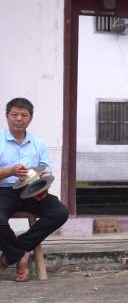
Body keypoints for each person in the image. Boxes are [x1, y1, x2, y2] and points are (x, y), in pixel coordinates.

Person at [0, 98, 69, 281]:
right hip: (3, 191)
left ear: (30, 119)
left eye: (24, 115)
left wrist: (44, 182)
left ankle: (15, 251)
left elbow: (45, 171)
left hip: (30, 191)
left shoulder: (38, 144)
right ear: (7, 116)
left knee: (59, 212)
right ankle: (20, 256)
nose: (18, 119)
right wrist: (10, 171)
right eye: (14, 114)